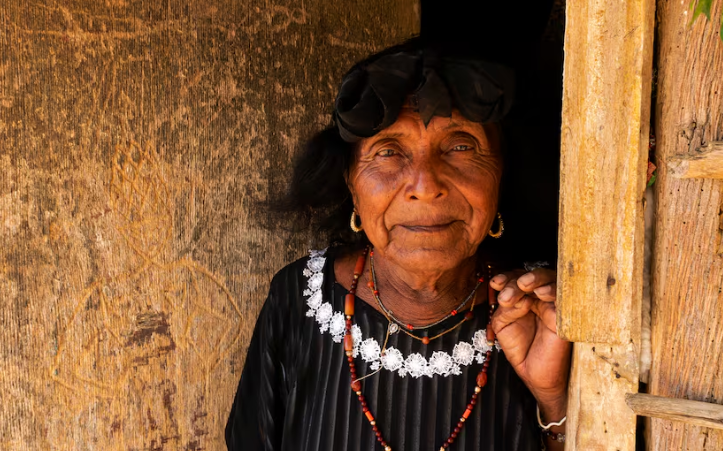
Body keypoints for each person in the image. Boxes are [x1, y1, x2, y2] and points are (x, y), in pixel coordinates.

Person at [226, 38, 571, 451]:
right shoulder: (297, 299)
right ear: (351, 184)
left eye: (461, 146)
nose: (425, 186)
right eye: (388, 152)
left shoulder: (545, 314)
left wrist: (553, 399)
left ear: (501, 177)